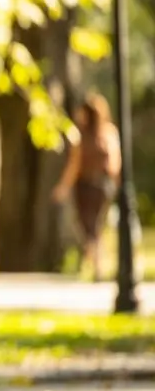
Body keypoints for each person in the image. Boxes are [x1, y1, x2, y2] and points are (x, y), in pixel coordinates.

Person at [52, 92, 122, 281]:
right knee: (94, 227)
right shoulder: (108, 133)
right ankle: (95, 264)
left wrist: (63, 187)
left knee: (90, 227)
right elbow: (115, 162)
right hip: (102, 186)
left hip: (88, 186)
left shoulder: (82, 136)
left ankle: (95, 265)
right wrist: (116, 184)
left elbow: (74, 165)